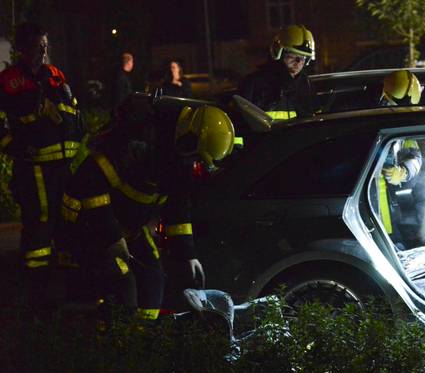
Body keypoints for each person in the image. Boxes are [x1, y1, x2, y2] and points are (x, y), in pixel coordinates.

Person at [58, 95, 235, 319]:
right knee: (123, 282)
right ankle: (116, 342)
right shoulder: (136, 145)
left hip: (129, 227)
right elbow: (92, 189)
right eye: (196, 155)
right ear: (188, 137)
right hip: (90, 225)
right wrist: (112, 237)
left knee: (153, 279)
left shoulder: (180, 156)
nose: (195, 162)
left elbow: (177, 211)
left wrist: (189, 255)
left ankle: (141, 338)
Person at [0, 22, 84, 310]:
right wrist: (16, 146)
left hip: (63, 166)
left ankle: (70, 292)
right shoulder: (9, 81)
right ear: (23, 49)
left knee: (68, 227)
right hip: (33, 168)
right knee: (39, 231)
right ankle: (37, 298)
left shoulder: (56, 76)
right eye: (39, 45)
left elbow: (73, 110)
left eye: (46, 45)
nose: (44, 51)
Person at [371, 70, 423, 247]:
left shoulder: (403, 123)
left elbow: (415, 156)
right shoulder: (368, 123)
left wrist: (404, 171)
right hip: (371, 207)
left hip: (390, 210)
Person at [238, 24, 315, 120]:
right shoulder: (253, 84)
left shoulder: (305, 84)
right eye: (292, 55)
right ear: (278, 53)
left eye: (303, 58)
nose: (298, 62)